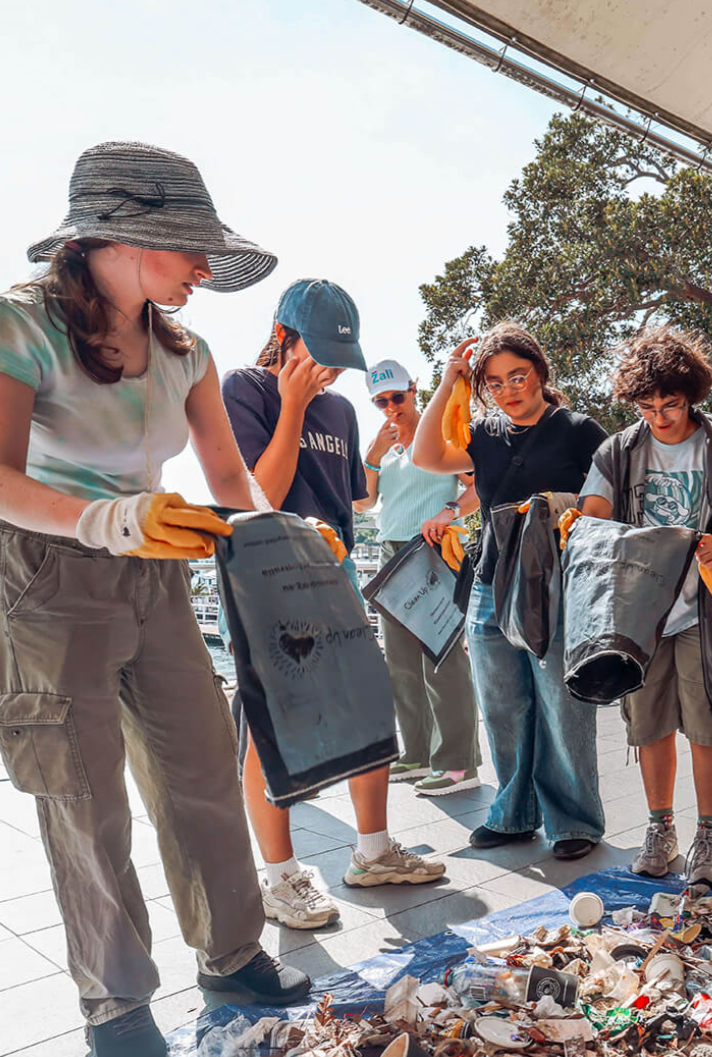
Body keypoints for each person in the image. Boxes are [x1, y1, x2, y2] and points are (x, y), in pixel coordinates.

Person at [0, 141, 308, 1055]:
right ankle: (116, 1006)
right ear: (118, 237)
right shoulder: (14, 321)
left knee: (198, 766)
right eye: (190, 246)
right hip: (45, 569)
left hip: (158, 564)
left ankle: (231, 954)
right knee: (81, 792)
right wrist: (106, 520)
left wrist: (290, 546)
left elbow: (228, 475)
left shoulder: (183, 347)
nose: (203, 267)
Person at [223, 280, 445, 932]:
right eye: (315, 355)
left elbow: (353, 503)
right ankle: (278, 874)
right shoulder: (245, 390)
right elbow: (254, 495)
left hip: (334, 568)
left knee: (368, 706)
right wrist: (290, 405)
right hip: (267, 572)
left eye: (334, 362)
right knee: (274, 726)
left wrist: (369, 463)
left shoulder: (341, 411)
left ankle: (373, 851)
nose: (325, 372)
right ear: (280, 333)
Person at [414, 323, 609, 861]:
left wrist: (560, 504)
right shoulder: (485, 434)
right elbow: (426, 456)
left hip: (556, 580)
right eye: (494, 383)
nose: (508, 390)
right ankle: (513, 813)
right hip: (489, 578)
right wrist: (448, 380)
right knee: (501, 703)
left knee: (560, 702)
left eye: (517, 377)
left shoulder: (577, 429)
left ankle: (574, 821)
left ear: (540, 373)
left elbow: (610, 500)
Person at [577, 326, 712, 885]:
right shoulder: (619, 449)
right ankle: (661, 828)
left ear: (692, 397)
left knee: (708, 726)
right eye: (648, 407)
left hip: (707, 609)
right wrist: (581, 521)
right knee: (650, 724)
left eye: (672, 406)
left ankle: (711, 835)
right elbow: (594, 511)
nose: (660, 418)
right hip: (642, 614)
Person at [356, 359, 483, 797]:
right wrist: (371, 456)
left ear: (413, 390)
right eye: (381, 400)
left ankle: (458, 765)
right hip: (393, 553)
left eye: (397, 396)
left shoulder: (440, 436)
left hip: (434, 549)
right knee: (401, 665)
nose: (391, 406)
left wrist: (448, 512)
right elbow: (362, 505)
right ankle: (416, 754)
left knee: (443, 660)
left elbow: (479, 486)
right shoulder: (384, 450)